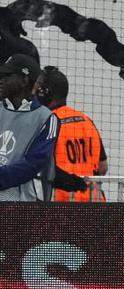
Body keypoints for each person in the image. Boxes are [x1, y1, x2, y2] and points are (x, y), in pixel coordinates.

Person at [36, 66, 108, 202]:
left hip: (62, 203)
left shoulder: (47, 123)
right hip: (93, 202)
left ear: (45, 93)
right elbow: (102, 167)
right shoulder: (87, 121)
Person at [0, 54, 59, 201]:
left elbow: (33, 163)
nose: (2, 80)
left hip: (24, 204)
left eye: (7, 75)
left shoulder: (46, 118)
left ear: (24, 80)